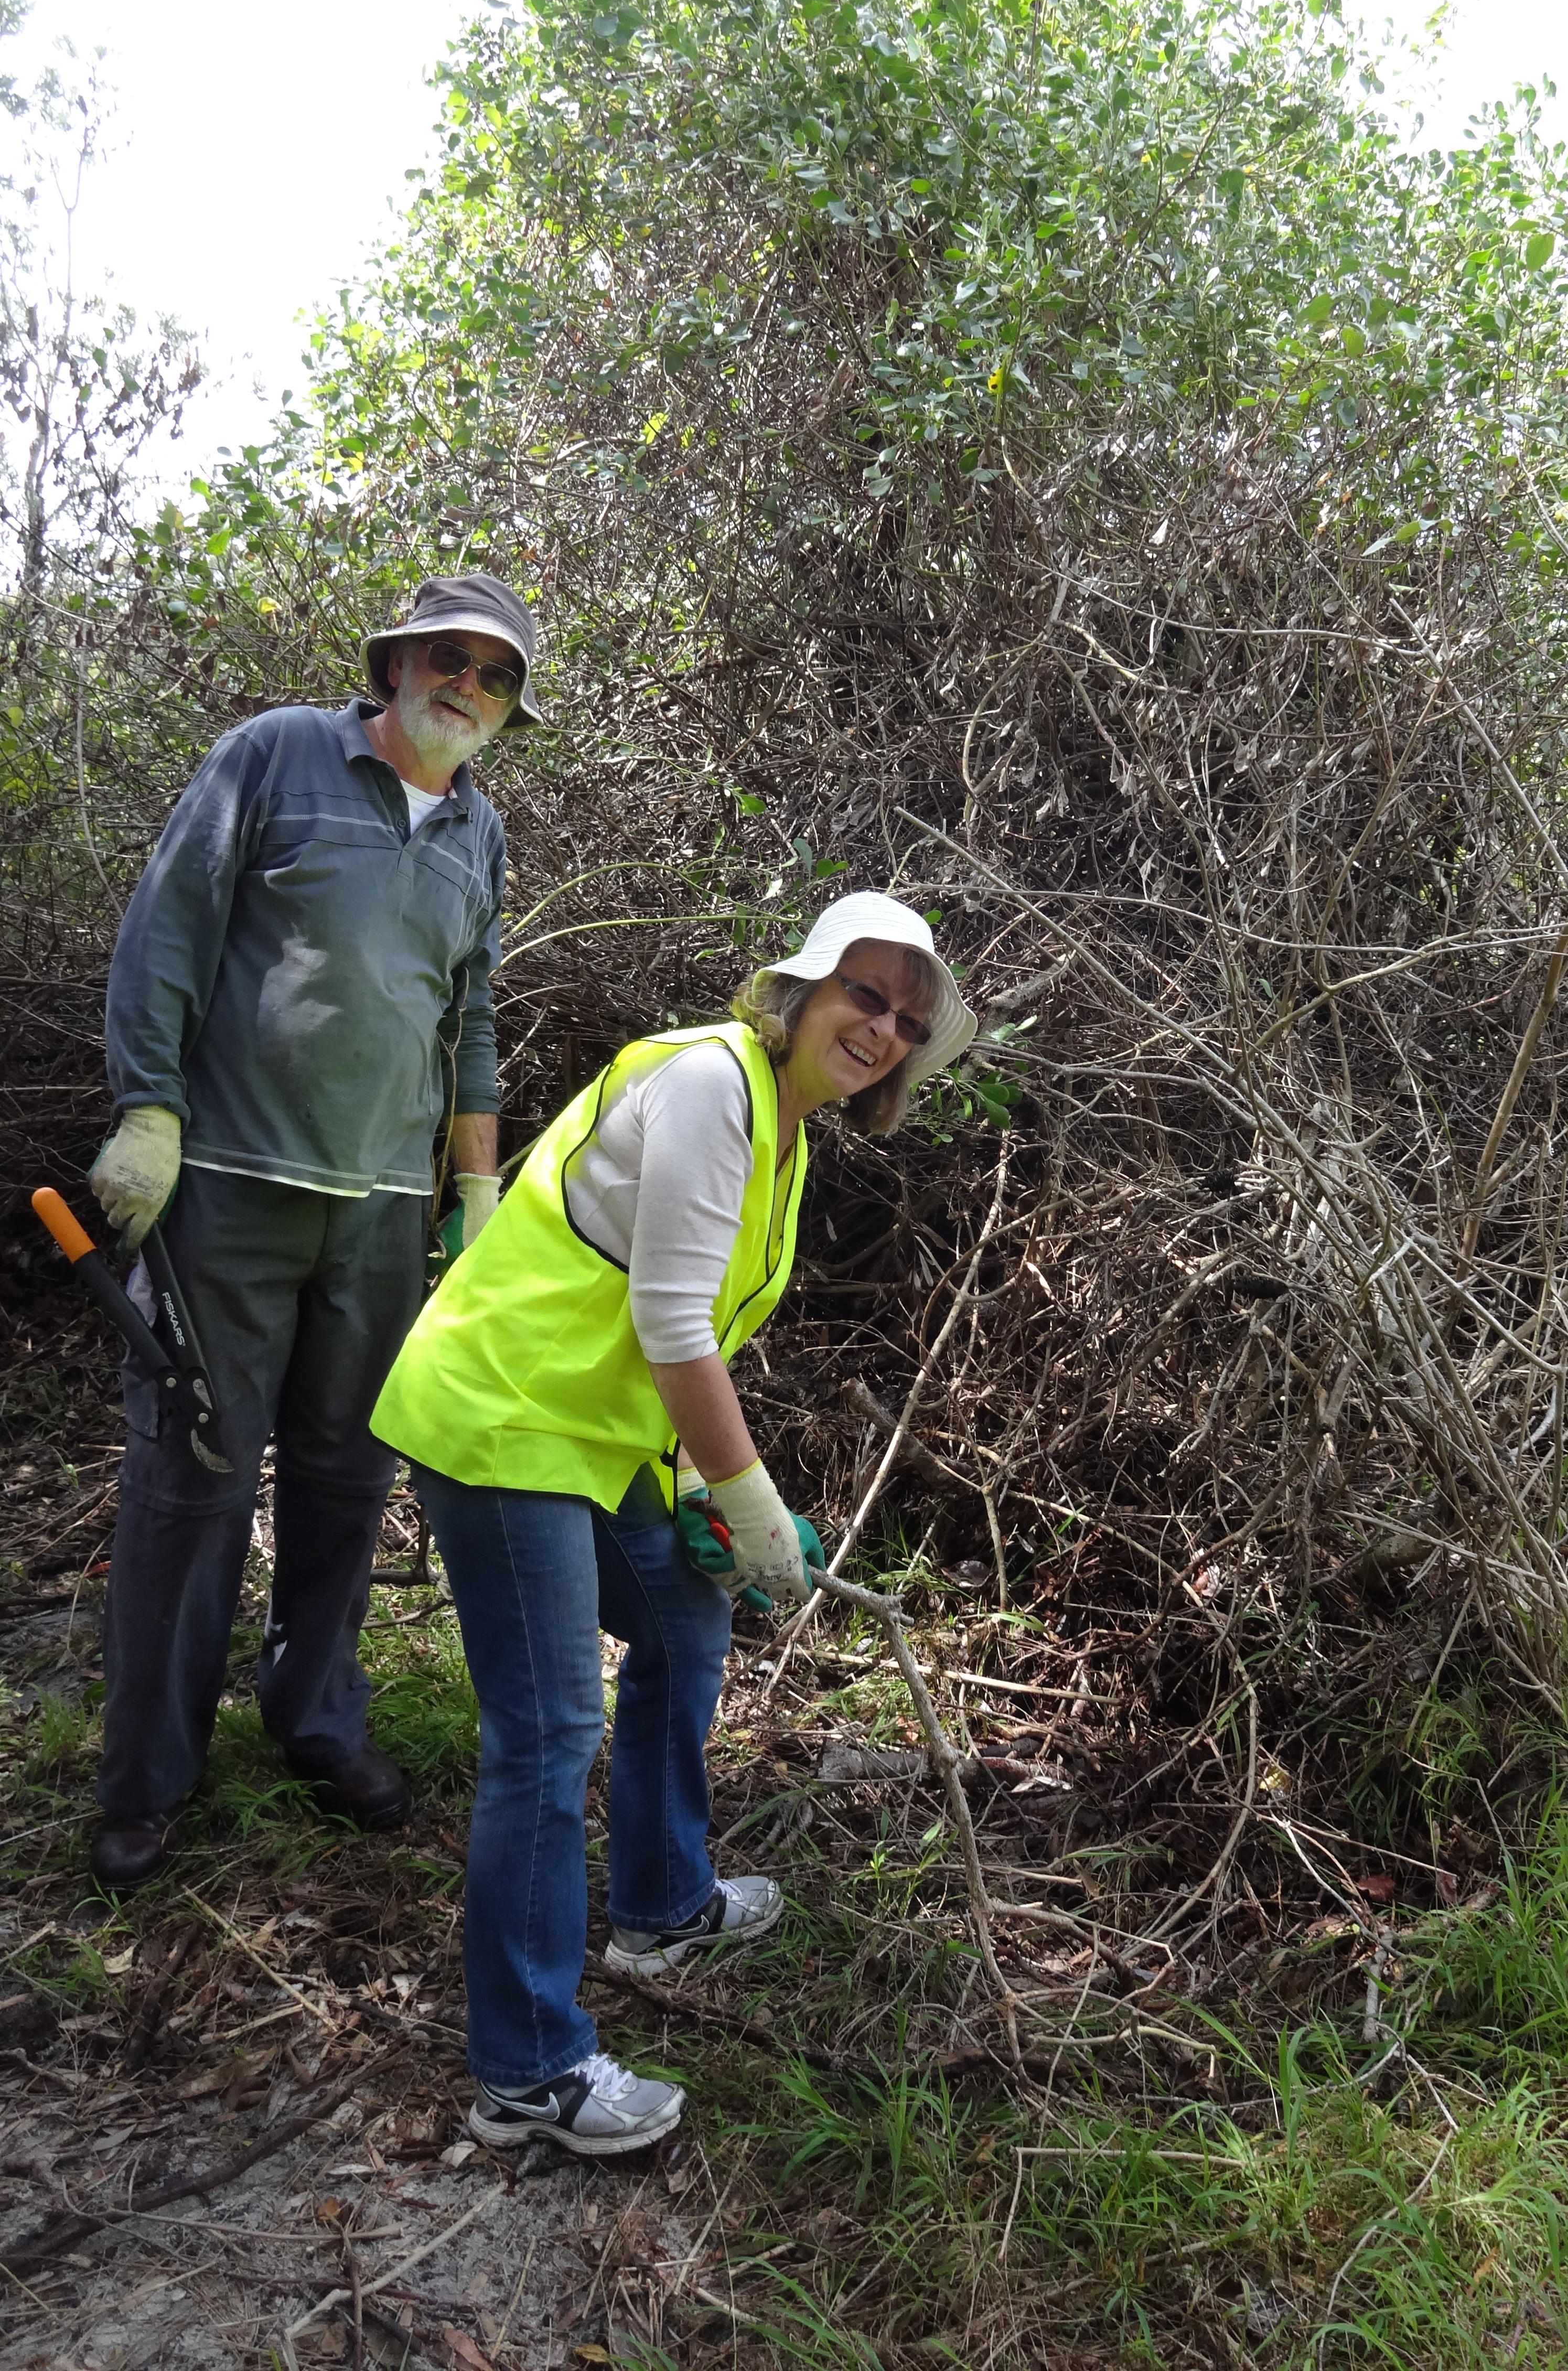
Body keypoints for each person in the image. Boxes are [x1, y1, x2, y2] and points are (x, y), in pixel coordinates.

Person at [368, 893, 978, 2157]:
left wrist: (703, 1488)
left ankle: (660, 1904)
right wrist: (746, 1495)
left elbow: (678, 1328)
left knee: (687, 1622)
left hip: (591, 1436)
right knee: (546, 1732)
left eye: (908, 1020)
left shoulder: (786, 1135)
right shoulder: (711, 1083)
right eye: (865, 995)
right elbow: (671, 1324)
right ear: (803, 991)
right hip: (502, 1414)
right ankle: (527, 2077)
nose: (883, 1029)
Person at [84, 575, 543, 1893]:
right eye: (449, 659)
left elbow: (471, 1021)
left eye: (497, 676)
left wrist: (475, 1189)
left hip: (384, 1220)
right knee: (196, 1481)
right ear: (397, 661)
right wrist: (149, 1113)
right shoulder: (276, 753)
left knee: (348, 1480)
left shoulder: (480, 834)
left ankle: (316, 1718)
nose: (468, 686)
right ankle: (149, 1775)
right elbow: (166, 930)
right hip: (222, 1189)